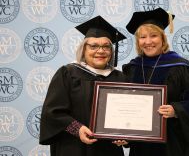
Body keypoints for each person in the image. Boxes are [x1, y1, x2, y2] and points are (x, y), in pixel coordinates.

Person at [122, 7, 189, 156]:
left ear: (163, 38)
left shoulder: (179, 67)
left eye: (154, 35)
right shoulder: (132, 68)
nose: (148, 41)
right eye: (142, 37)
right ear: (138, 41)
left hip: (173, 144)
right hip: (142, 146)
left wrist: (176, 110)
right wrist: (124, 135)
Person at [39, 15, 128, 156]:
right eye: (93, 46)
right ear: (84, 49)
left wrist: (126, 135)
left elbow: (128, 115)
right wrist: (77, 129)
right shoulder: (68, 73)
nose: (100, 51)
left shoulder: (120, 78)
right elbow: (53, 112)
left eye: (106, 46)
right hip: (73, 147)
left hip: (109, 150)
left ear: (111, 52)